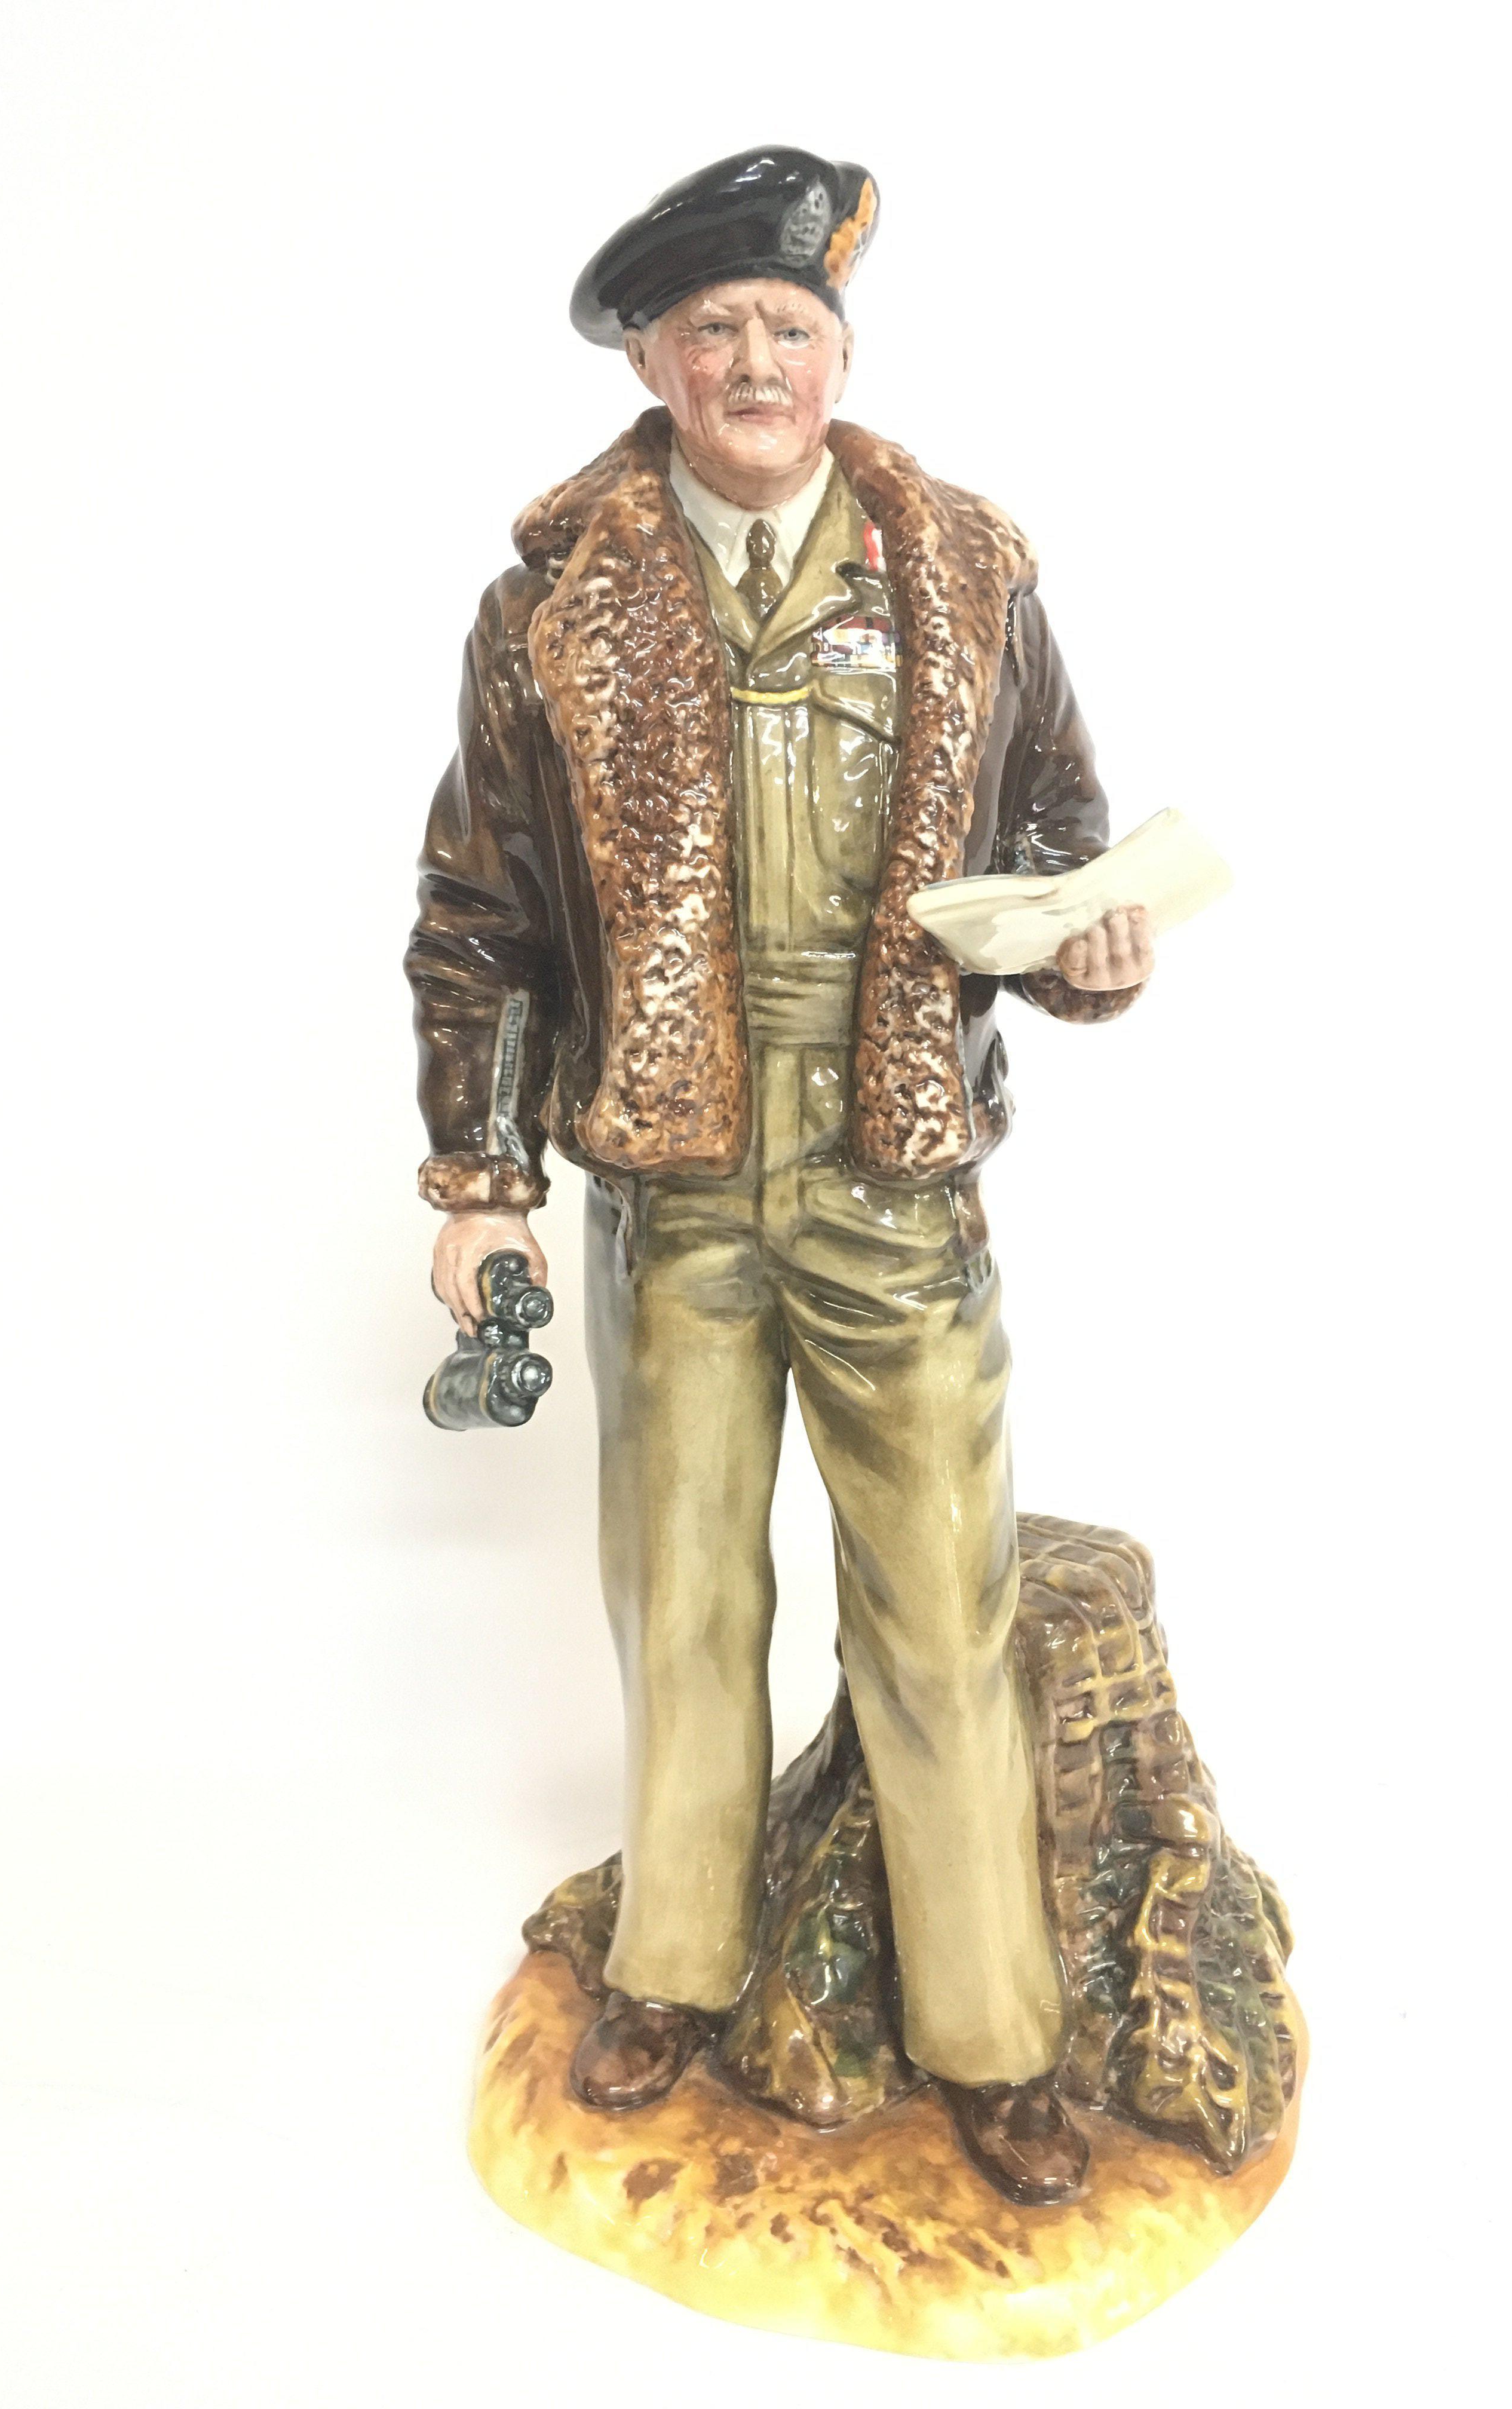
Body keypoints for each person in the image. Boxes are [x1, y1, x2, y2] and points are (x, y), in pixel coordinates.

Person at [406, 148, 1154, 2206]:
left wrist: (1092, 949)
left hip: (890, 1170)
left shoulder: (967, 573)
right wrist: (478, 1179)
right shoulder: (550, 606)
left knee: (941, 1603)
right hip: (676, 1184)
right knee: (682, 1591)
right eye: (715, 328)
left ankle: (994, 2035)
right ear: (651, 362)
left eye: (792, 327)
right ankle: (674, 1960)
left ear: (841, 354)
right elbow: (479, 913)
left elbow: (1061, 836)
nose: (756, 362)